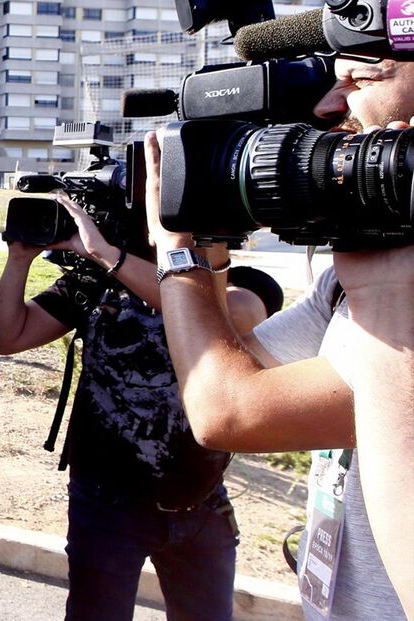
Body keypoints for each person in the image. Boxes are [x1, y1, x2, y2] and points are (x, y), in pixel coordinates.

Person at [145, 56, 413, 620]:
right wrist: (207, 231)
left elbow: (228, 411)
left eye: (362, 78)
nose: (328, 106)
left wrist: (176, 252)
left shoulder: (392, 284)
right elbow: (236, 365)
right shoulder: (357, 275)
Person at [0, 192, 281, 620]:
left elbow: (230, 313)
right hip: (107, 508)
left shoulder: (240, 281)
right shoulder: (95, 282)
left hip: (199, 506)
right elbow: (6, 338)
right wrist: (19, 260)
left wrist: (108, 255)